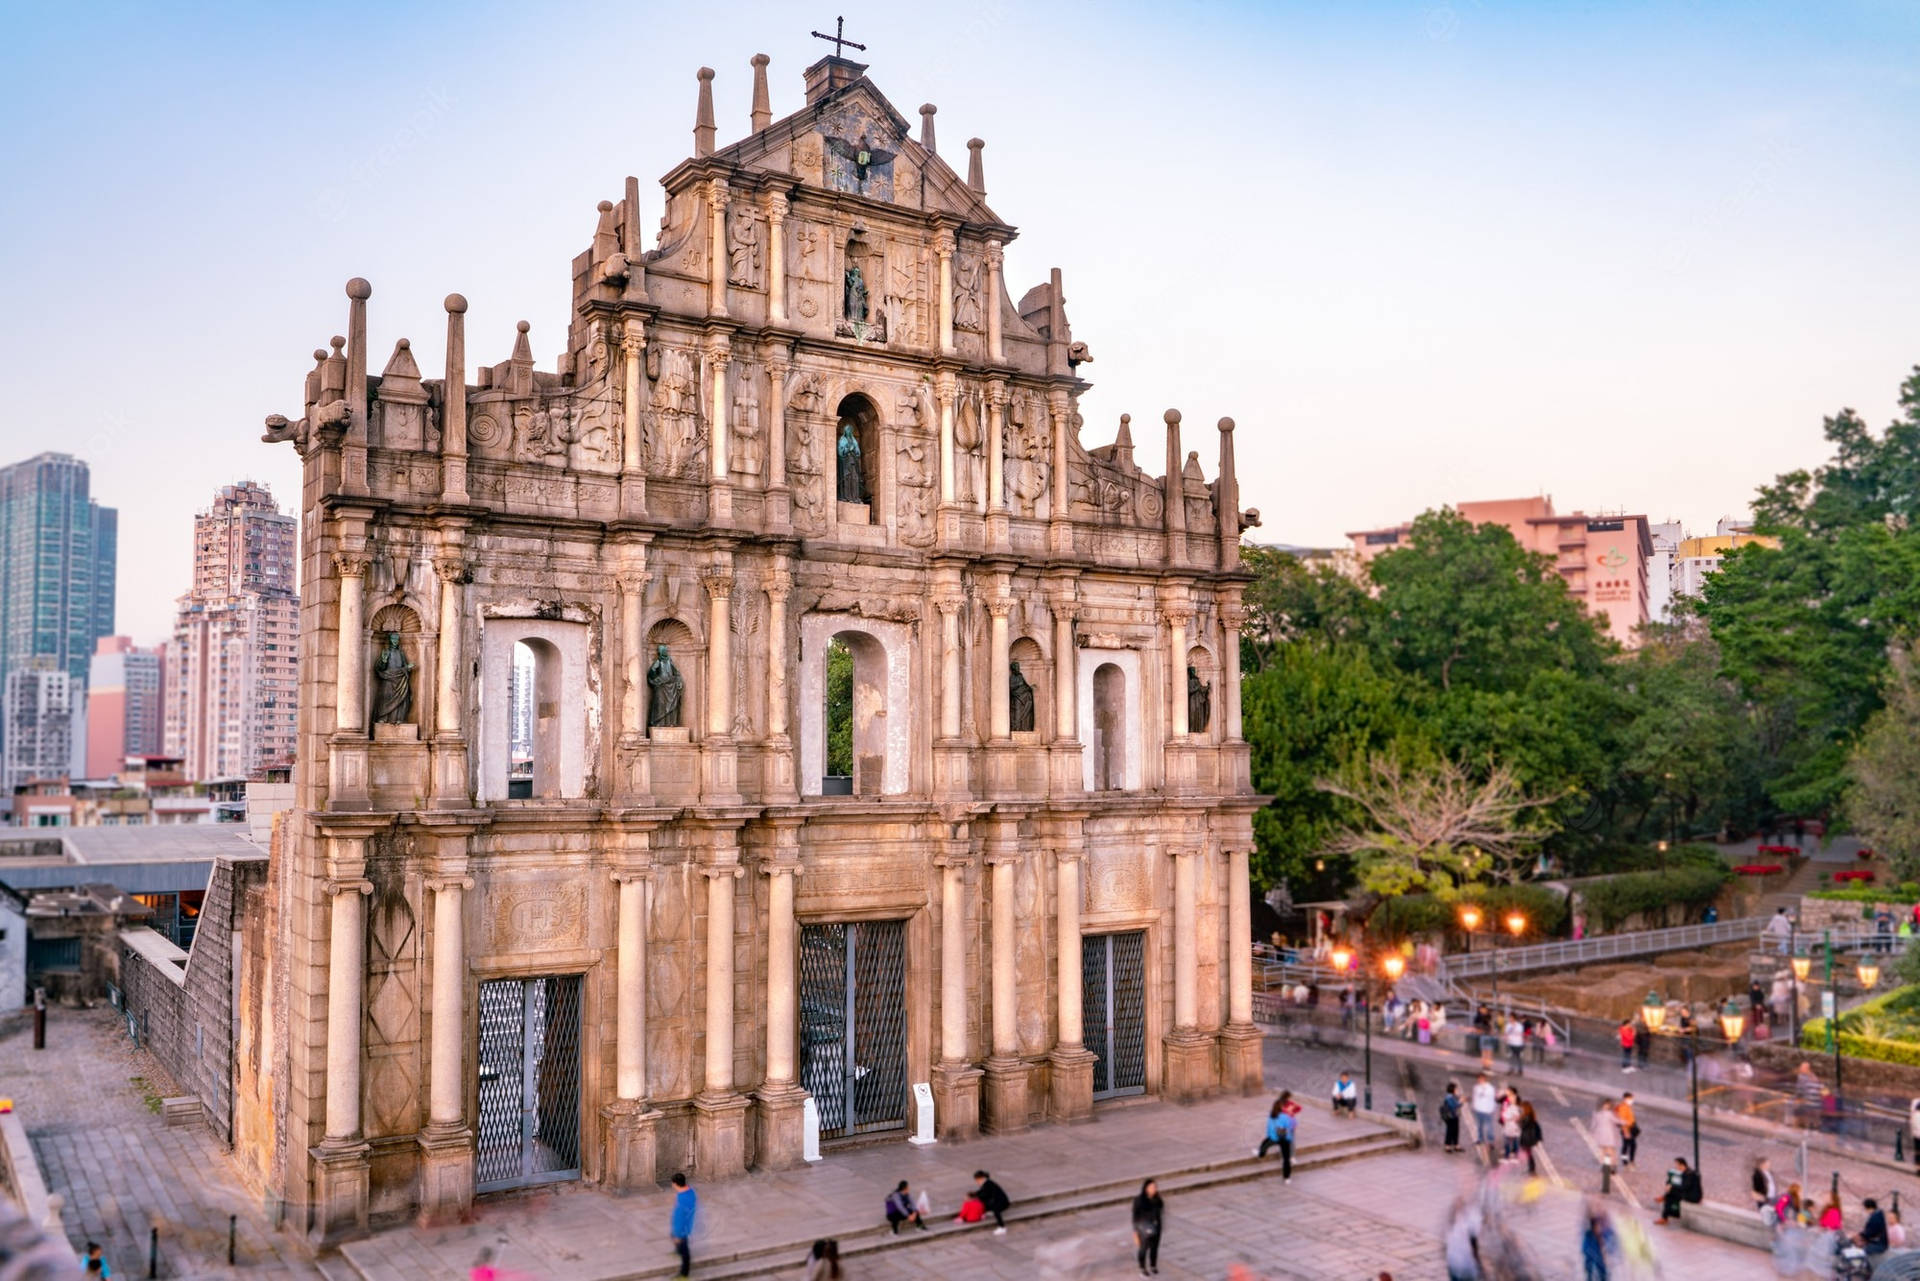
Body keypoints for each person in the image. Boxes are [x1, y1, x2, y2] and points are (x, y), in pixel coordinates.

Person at [1257, 1091, 1298, 1181]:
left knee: (1264, 1143)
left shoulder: (1271, 1116)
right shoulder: (1285, 1116)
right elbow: (1290, 1127)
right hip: (1285, 1139)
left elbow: (1269, 1128)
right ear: (1281, 1107)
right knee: (1286, 1159)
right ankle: (1287, 1177)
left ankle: (1261, 1154)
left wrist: (1272, 1136)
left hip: (1274, 1138)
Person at [1131, 1178, 1164, 1276]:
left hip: (1156, 1226)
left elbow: (1160, 1210)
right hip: (1143, 1228)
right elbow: (1135, 1217)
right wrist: (1135, 1232)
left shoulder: (1157, 1199)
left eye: (1155, 1187)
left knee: (1154, 1247)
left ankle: (1153, 1265)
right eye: (1152, 1187)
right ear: (1146, 1188)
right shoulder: (1139, 1200)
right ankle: (1142, 1267)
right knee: (1144, 1248)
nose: (1155, 1189)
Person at [669, 1172, 697, 1279]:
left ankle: (684, 1274)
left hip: (682, 1229)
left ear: (676, 1184)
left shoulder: (682, 1200)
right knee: (673, 1237)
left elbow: (680, 1218)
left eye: (673, 1183)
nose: (672, 1185)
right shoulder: (690, 1192)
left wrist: (678, 1235)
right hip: (685, 1226)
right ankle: (678, 1250)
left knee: (685, 1250)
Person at [1656, 1157, 1699, 1225]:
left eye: (1677, 1165)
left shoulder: (1689, 1174)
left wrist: (1672, 1187)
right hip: (1688, 1193)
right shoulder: (1686, 1172)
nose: (1676, 1167)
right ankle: (1665, 1216)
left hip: (1693, 1196)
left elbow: (1685, 1187)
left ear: (1682, 1165)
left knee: (1670, 1195)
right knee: (1670, 1194)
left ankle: (1665, 1217)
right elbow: (1682, 1185)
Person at [1582, 1208, 1615, 1281]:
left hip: (1601, 1266)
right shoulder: (1588, 1235)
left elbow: (1609, 1247)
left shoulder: (1602, 1236)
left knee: (1603, 1276)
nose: (1599, 1228)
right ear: (1593, 1227)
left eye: (1599, 1226)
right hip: (1592, 1265)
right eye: (1597, 1226)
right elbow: (1585, 1249)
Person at [1589, 1098, 1621, 1173]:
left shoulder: (1611, 1113)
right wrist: (1592, 1131)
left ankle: (1613, 1166)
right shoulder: (1596, 1113)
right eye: (1605, 1104)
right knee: (1603, 1151)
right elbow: (1594, 1123)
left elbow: (1617, 1121)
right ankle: (1606, 1166)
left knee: (1610, 1151)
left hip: (1611, 1134)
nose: (1606, 1106)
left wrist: (1625, 1122)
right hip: (1601, 1134)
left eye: (1608, 1104)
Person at [1471, 1073, 1498, 1154]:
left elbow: (1492, 1098)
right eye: (1478, 1079)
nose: (1479, 1081)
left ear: (1484, 1079)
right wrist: (1474, 1106)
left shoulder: (1490, 1088)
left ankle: (1491, 1141)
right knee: (1479, 1126)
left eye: (1480, 1079)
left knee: (1489, 1127)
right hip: (1478, 1109)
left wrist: (1492, 1108)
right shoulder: (1476, 1087)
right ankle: (1480, 1139)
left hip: (1487, 1110)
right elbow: (1475, 1097)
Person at [1518, 1101, 1543, 1175]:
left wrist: (1519, 1119)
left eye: (1522, 1108)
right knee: (1528, 1153)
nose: (1521, 1109)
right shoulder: (1530, 1116)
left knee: (1528, 1153)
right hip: (1529, 1138)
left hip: (1527, 1139)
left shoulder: (1527, 1117)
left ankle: (1532, 1167)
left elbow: (1522, 1126)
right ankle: (1531, 1167)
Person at [1439, 1081, 1463, 1154]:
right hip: (1450, 1116)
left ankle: (1456, 1145)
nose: (1457, 1090)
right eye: (1456, 1089)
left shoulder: (1453, 1096)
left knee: (1456, 1130)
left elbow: (1457, 1105)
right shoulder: (1449, 1097)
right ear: (1452, 1090)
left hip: (1455, 1116)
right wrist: (1461, 1102)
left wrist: (1461, 1101)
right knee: (1450, 1131)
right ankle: (1447, 1146)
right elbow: (1454, 1106)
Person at [1751, 1156, 1776, 1221]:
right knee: (1767, 1212)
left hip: (1770, 1196)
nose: (1769, 1165)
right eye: (1767, 1164)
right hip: (1764, 1198)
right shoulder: (1757, 1176)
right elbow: (1756, 1190)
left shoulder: (1767, 1172)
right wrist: (1763, 1198)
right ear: (1762, 1165)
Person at [1616, 1093, 1638, 1168]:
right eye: (1630, 1099)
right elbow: (1622, 1120)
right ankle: (1626, 1162)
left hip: (1629, 1128)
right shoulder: (1623, 1107)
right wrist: (1626, 1131)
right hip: (1626, 1129)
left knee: (1632, 1145)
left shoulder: (1627, 1107)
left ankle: (1630, 1161)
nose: (1631, 1100)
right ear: (1625, 1099)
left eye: (1631, 1099)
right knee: (1628, 1145)